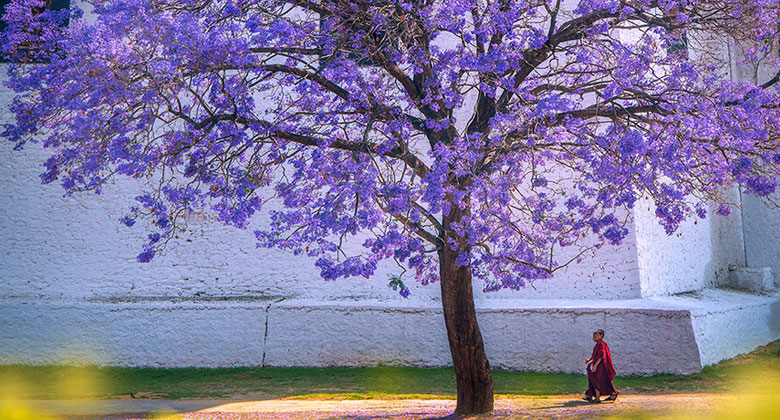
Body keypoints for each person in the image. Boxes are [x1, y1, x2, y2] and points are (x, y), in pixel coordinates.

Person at [584, 329, 618, 403]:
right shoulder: (597, 345)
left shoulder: (602, 344)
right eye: (594, 335)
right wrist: (589, 360)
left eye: (596, 334)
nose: (594, 336)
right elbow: (595, 356)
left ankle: (597, 398)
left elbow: (601, 356)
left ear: (601, 335)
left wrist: (595, 366)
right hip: (598, 366)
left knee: (597, 381)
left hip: (601, 367)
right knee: (599, 381)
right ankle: (612, 394)